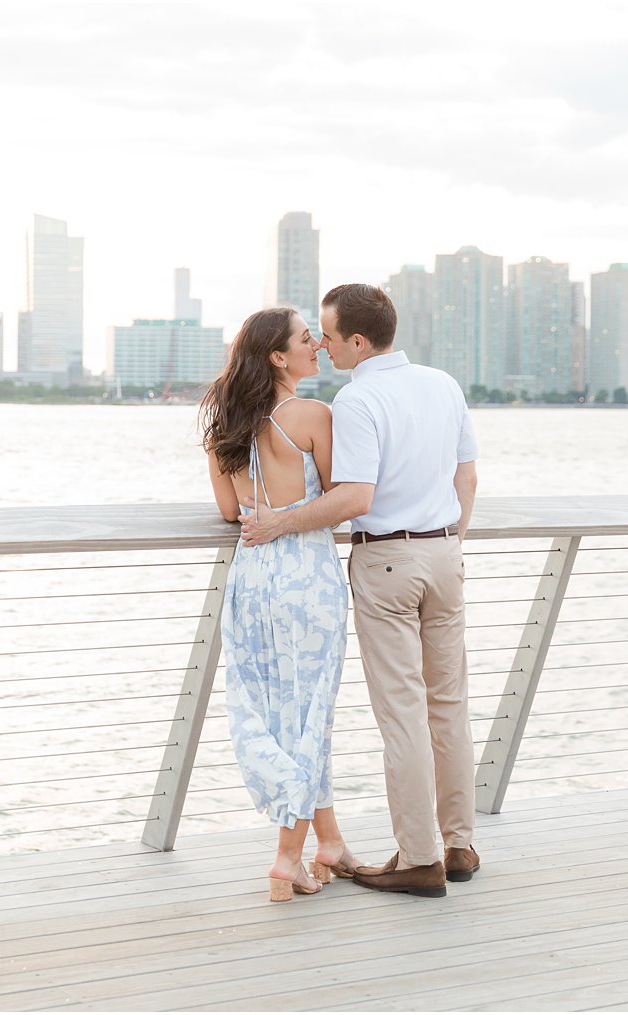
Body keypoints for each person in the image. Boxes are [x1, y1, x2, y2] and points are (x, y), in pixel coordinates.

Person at [239, 283, 479, 899]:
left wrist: (276, 522)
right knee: (448, 704)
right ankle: (459, 845)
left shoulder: (356, 400)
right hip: (445, 552)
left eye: (327, 333)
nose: (321, 343)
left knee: (402, 713)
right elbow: (467, 475)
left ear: (357, 341)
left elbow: (353, 498)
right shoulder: (443, 384)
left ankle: (419, 859)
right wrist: (450, 540)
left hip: (388, 563)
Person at [200, 306, 362, 902]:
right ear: (277, 356)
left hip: (251, 579)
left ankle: (330, 843)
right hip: (306, 576)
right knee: (309, 711)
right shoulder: (313, 416)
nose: (316, 345)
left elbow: (227, 512)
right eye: (304, 339)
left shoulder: (226, 426)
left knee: (278, 709)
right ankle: (286, 859)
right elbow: (345, 497)